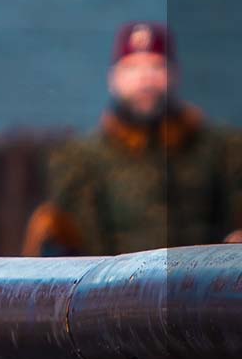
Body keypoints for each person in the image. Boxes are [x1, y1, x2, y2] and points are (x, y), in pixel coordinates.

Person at [23, 22, 242, 257]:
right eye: (132, 68)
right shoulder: (81, 160)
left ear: (174, 74)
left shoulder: (220, 149)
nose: (145, 80)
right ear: (113, 78)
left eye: (157, 66)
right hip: (117, 290)